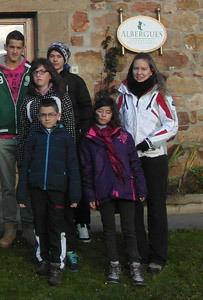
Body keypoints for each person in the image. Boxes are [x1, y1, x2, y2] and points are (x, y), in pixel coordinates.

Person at [117, 53, 178, 275]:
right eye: (135, 69)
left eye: (143, 69)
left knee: (155, 207)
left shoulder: (159, 95)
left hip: (153, 158)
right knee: (133, 208)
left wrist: (148, 142)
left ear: (151, 71)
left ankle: (157, 255)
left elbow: (171, 124)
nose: (139, 73)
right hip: (131, 159)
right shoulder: (123, 94)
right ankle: (138, 254)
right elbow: (118, 122)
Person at [80, 96, 147, 286]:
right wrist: (90, 194)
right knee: (108, 229)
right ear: (95, 113)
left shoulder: (123, 136)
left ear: (113, 114)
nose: (103, 115)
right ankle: (114, 264)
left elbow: (134, 163)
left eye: (107, 112)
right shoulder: (89, 139)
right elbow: (87, 169)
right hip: (104, 188)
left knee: (129, 228)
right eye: (100, 111)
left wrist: (141, 187)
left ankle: (135, 264)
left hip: (125, 186)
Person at [16, 98, 81, 286]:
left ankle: (56, 264)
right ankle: (43, 258)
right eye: (43, 115)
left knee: (55, 227)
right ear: (38, 117)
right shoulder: (34, 138)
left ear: (58, 116)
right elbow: (26, 166)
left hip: (57, 190)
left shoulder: (65, 138)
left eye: (51, 115)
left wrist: (75, 194)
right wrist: (22, 193)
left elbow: (73, 167)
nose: (47, 118)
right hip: (37, 189)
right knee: (40, 225)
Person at [0, 30, 34, 248]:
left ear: (23, 49)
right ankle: (10, 226)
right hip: (3, 138)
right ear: (5, 47)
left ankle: (29, 225)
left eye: (18, 47)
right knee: (7, 185)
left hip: (26, 137)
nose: (14, 51)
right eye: (11, 46)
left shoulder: (32, 73)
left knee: (29, 183)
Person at [47, 42, 93, 244]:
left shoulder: (75, 81)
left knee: (76, 179)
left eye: (58, 55)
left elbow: (85, 108)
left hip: (74, 137)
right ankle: (60, 222)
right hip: (53, 139)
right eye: (52, 55)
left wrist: (83, 132)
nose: (55, 59)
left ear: (65, 58)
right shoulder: (44, 80)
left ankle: (82, 223)